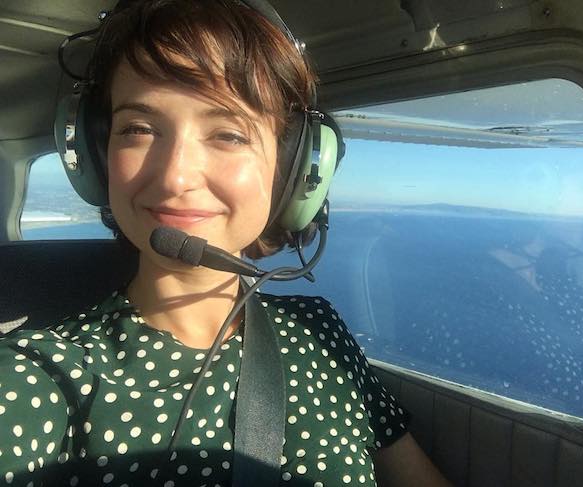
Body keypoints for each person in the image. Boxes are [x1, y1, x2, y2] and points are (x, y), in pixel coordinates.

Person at [0, 1, 451, 485]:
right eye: (137, 128)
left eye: (229, 134)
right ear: (96, 155)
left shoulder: (322, 333)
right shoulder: (40, 377)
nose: (175, 176)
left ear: (293, 171)